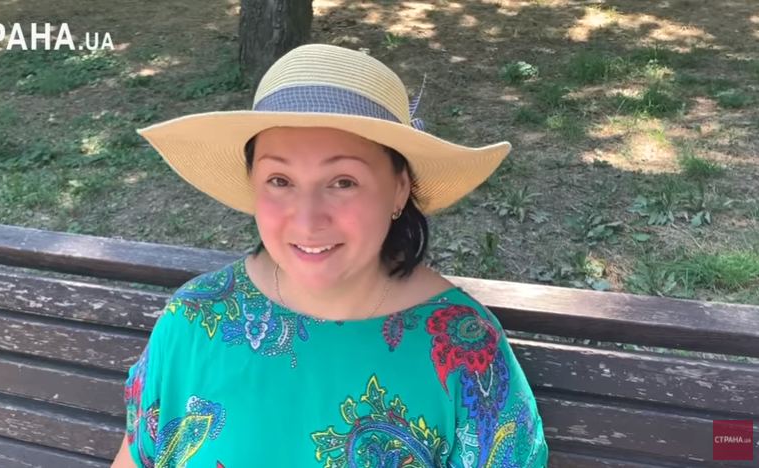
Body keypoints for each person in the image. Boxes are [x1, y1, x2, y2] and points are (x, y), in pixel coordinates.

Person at [110, 43, 549, 468]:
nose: (307, 219)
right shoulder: (192, 320)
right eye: (280, 180)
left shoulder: (466, 351)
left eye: (343, 182)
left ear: (400, 189)